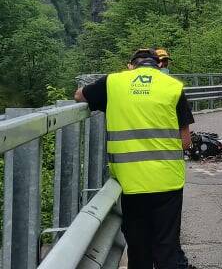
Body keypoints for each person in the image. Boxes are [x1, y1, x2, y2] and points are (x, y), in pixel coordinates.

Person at [75, 49, 194, 269]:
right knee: (167, 249)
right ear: (159, 65)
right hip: (168, 182)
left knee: (139, 252)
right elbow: (185, 142)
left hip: (131, 184)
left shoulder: (113, 83)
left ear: (130, 66)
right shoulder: (173, 87)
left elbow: (79, 95)